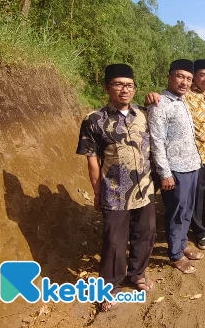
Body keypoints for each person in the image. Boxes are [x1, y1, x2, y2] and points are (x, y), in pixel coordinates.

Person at [76, 63, 155, 312]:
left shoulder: (143, 114)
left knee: (145, 233)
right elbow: (92, 159)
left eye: (129, 85)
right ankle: (110, 287)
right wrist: (98, 191)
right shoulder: (95, 120)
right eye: (118, 84)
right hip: (116, 191)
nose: (124, 90)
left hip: (145, 187)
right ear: (107, 87)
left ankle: (137, 274)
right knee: (113, 241)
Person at [145, 60, 205, 249]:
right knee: (196, 194)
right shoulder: (184, 96)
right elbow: (161, 107)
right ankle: (200, 231)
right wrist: (150, 97)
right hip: (196, 155)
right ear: (195, 77)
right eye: (202, 75)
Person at [148, 59, 204, 274]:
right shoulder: (160, 104)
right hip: (175, 169)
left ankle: (181, 244)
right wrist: (165, 173)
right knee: (176, 211)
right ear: (169, 76)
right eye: (180, 76)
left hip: (192, 164)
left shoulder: (183, 101)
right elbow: (157, 141)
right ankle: (175, 254)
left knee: (187, 209)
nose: (185, 82)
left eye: (189, 79)